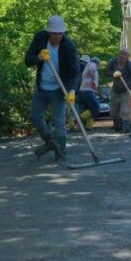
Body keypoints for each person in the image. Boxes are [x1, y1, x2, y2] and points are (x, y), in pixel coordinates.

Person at [24, 15, 80, 161]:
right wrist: (39, 57)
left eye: (60, 33)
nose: (57, 36)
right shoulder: (40, 38)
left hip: (59, 88)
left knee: (59, 121)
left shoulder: (68, 46)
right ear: (48, 32)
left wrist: (73, 90)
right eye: (54, 33)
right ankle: (51, 142)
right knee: (35, 117)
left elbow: (76, 72)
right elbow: (27, 60)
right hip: (42, 87)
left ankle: (61, 152)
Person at [106, 47, 131, 134]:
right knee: (113, 111)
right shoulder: (113, 61)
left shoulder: (130, 65)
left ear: (128, 56)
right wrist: (113, 74)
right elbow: (106, 72)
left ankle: (127, 127)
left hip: (126, 91)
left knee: (125, 110)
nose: (123, 56)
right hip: (115, 90)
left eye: (125, 54)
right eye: (121, 54)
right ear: (118, 54)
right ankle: (117, 126)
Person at [76, 55, 101, 129]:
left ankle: (88, 126)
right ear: (97, 63)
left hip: (82, 91)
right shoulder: (91, 64)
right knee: (95, 108)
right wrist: (93, 77)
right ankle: (78, 119)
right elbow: (90, 69)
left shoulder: (86, 67)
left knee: (88, 109)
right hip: (87, 91)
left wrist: (95, 89)